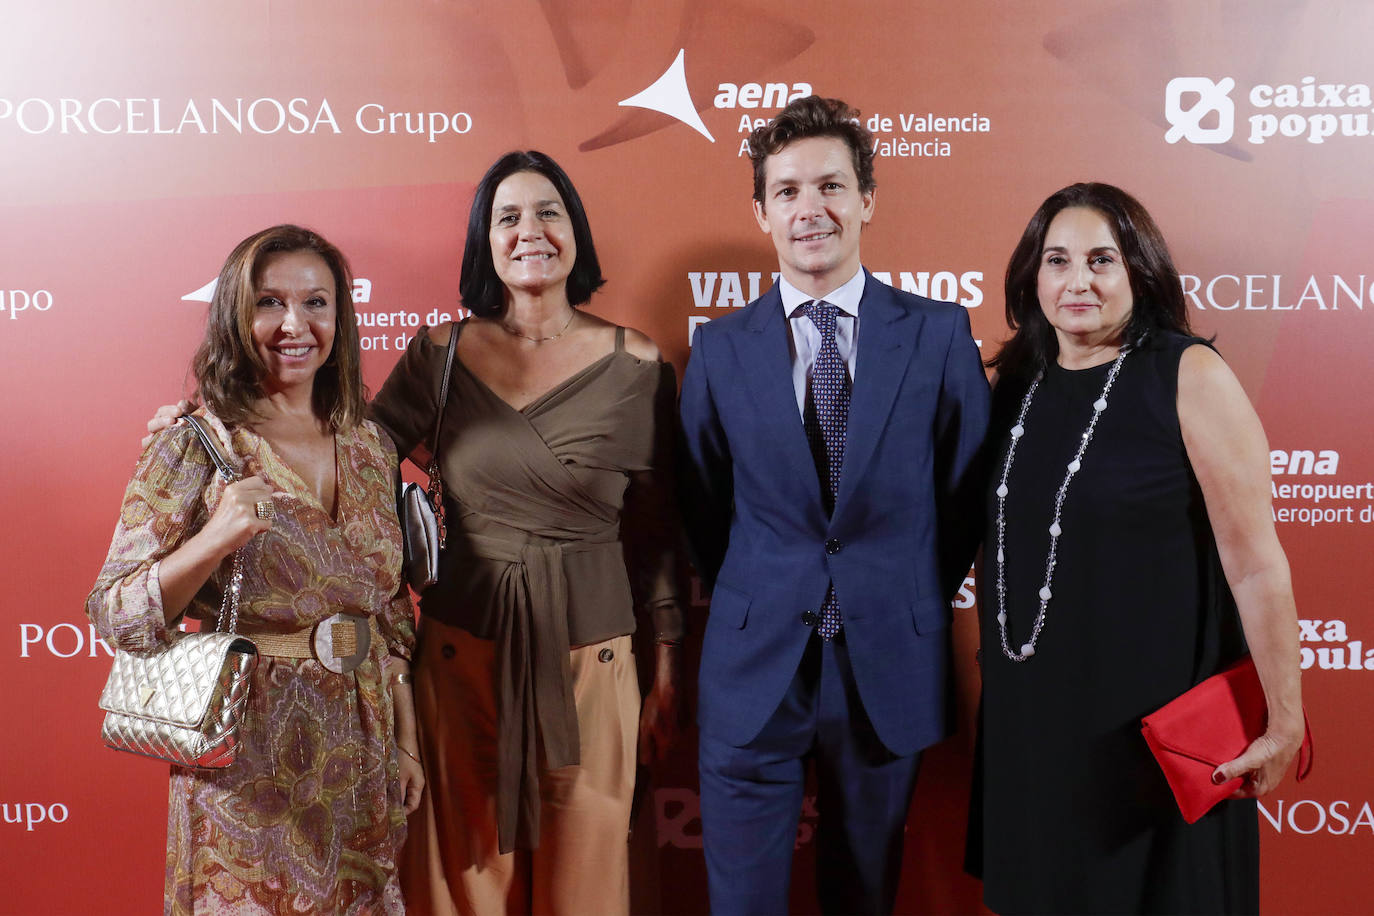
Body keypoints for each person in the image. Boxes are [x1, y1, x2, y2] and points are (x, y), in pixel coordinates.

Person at [677, 95, 991, 914]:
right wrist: (770, 586)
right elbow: (706, 507)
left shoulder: (938, 332)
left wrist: (886, 586)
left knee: (864, 897)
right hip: (754, 671)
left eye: (830, 186)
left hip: (886, 663)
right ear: (761, 212)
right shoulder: (717, 349)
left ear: (866, 200)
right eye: (786, 191)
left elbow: (963, 499)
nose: (809, 209)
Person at [969, 183, 1305, 914]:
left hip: (1154, 732)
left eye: (1101, 260)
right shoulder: (1014, 383)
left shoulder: (1189, 374)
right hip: (1034, 722)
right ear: (1032, 276)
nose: (1077, 280)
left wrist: (1285, 719)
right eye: (1057, 260)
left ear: (1140, 273)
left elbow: (1256, 566)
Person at [368, 150, 685, 915]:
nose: (529, 231)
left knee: (589, 889)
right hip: (460, 657)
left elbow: (659, 534)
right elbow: (353, 469)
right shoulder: (440, 357)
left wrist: (666, 664)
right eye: (507, 217)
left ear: (576, 232)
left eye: (549, 211)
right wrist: (238, 430)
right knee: (462, 885)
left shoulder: (637, 363)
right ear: (485, 241)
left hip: (596, 661)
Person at [89, 224, 423, 915]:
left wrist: (408, 743)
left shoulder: (368, 444)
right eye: (269, 303)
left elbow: (388, 616)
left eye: (316, 303)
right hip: (246, 756)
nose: (294, 325)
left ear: (341, 315)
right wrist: (213, 538)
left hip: (361, 749)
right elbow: (116, 614)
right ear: (236, 318)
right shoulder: (196, 442)